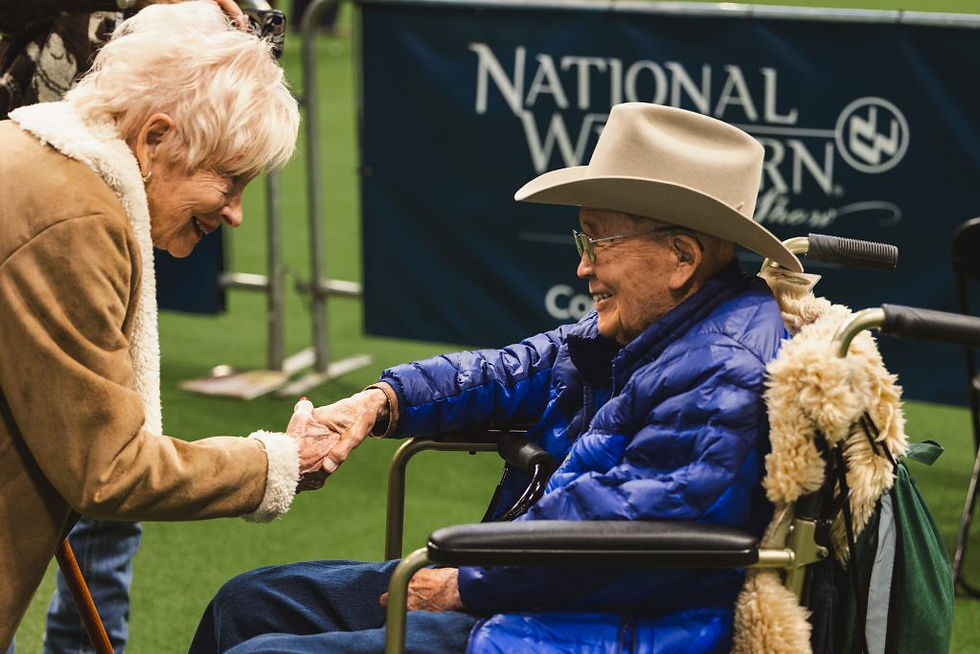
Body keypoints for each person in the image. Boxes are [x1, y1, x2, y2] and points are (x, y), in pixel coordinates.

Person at [190, 102, 805, 653]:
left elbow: (635, 533)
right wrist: (377, 402)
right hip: (530, 592)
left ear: (681, 258)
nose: (582, 264)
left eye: (599, 239)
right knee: (244, 606)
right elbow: (511, 369)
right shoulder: (660, 326)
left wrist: (468, 581)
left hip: (584, 627)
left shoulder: (722, 368)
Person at [0, 3, 340, 651]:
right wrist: (280, 462)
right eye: (229, 180)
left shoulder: (37, 158)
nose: (236, 213)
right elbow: (109, 470)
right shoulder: (75, 217)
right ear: (154, 139)